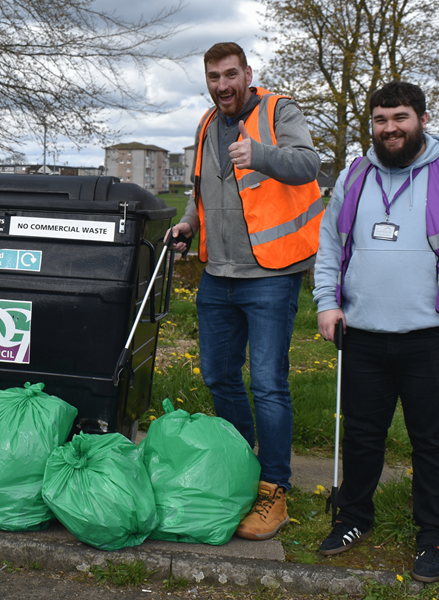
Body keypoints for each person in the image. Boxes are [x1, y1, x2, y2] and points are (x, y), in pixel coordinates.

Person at [312, 81, 439, 583]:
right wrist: (326, 303)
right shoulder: (354, 174)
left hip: (432, 336)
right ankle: (353, 519)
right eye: (380, 120)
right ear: (370, 124)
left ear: (420, 118)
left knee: (434, 441)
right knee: (362, 436)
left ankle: (433, 538)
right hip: (364, 335)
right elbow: (329, 244)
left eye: (399, 118)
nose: (389, 129)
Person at [164, 42, 323, 540]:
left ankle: (275, 488)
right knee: (217, 375)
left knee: (268, 384)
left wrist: (260, 154)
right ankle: (241, 467)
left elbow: (308, 165)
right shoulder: (207, 124)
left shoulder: (279, 110)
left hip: (272, 275)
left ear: (247, 74)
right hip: (218, 274)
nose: (222, 85)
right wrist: (188, 223)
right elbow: (201, 193)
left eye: (230, 75)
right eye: (213, 76)